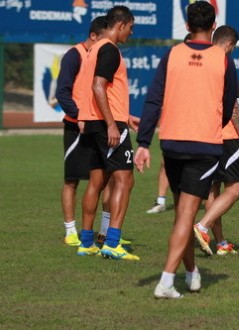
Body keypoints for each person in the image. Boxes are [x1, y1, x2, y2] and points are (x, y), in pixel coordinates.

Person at [135, 1, 234, 298]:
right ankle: (166, 281)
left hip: (172, 144)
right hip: (204, 146)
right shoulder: (223, 58)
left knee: (183, 213)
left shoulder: (173, 54)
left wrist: (143, 143)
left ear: (187, 25)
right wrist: (212, 124)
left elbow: (153, 99)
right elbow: (229, 103)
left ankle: (191, 273)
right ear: (213, 25)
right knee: (185, 216)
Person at [74, 5, 138, 260]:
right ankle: (112, 242)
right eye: (130, 28)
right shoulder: (110, 49)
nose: (130, 34)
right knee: (125, 179)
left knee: (96, 182)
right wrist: (113, 123)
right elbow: (98, 86)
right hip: (106, 125)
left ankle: (86, 241)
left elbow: (103, 91)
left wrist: (125, 117)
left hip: (92, 122)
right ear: (120, 24)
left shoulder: (93, 49)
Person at [192, 25, 239, 256]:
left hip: (204, 135)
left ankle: (220, 243)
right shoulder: (225, 62)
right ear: (229, 44)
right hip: (227, 136)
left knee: (213, 191)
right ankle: (202, 225)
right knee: (236, 189)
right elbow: (235, 107)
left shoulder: (199, 61)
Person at [55, 16, 107, 246]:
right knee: (72, 180)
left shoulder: (102, 55)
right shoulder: (73, 55)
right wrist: (79, 117)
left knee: (104, 180)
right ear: (93, 36)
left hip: (97, 126)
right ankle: (70, 230)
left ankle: (103, 231)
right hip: (76, 127)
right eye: (102, 39)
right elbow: (62, 92)